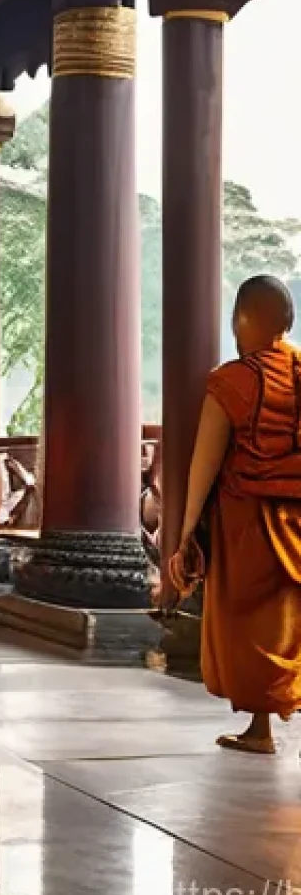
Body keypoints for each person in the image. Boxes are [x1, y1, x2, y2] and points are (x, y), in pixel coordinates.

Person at [169, 275, 301, 754]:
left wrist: (186, 536)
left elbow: (204, 463)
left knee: (250, 626)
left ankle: (261, 730)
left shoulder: (232, 381)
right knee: (294, 621)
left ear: (243, 320)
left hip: (248, 524)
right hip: (298, 519)